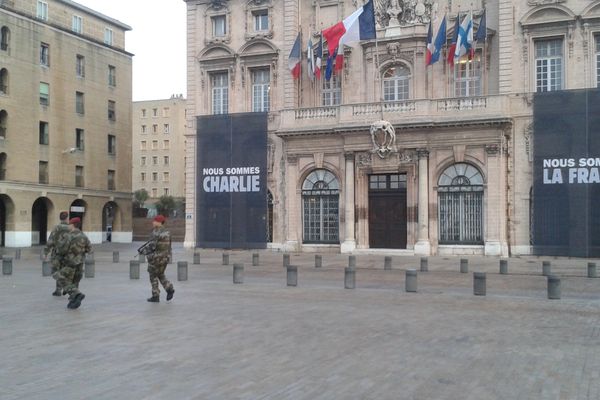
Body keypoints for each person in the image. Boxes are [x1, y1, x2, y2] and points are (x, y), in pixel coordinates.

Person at [54, 217, 91, 309]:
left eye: (69, 225)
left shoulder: (69, 236)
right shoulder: (84, 236)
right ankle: (73, 302)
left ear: (72, 225)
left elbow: (61, 250)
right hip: (80, 263)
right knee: (74, 282)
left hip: (69, 263)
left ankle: (76, 294)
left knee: (59, 277)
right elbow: (89, 249)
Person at [140, 214, 174, 302]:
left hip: (156, 258)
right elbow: (169, 246)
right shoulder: (167, 232)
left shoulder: (156, 232)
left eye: (154, 221)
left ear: (159, 222)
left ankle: (156, 295)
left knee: (152, 275)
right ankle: (169, 289)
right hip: (165, 258)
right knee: (160, 274)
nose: (153, 222)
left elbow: (152, 246)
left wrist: (143, 251)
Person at [44, 211, 70, 296]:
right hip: (67, 254)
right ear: (67, 218)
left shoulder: (56, 228)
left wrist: (46, 252)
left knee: (55, 271)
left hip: (57, 254)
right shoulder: (71, 228)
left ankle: (63, 288)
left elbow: (50, 241)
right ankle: (59, 289)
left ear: (60, 218)